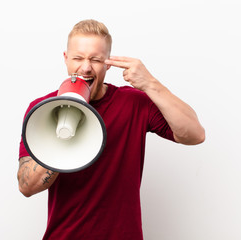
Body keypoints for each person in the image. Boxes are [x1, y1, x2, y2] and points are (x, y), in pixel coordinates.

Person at [17, 19, 205, 240]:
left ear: (108, 63)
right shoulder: (42, 109)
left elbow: (195, 134)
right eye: (78, 58)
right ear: (66, 59)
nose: (86, 67)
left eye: (95, 59)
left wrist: (150, 84)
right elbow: (26, 186)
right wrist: (62, 133)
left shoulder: (133, 103)